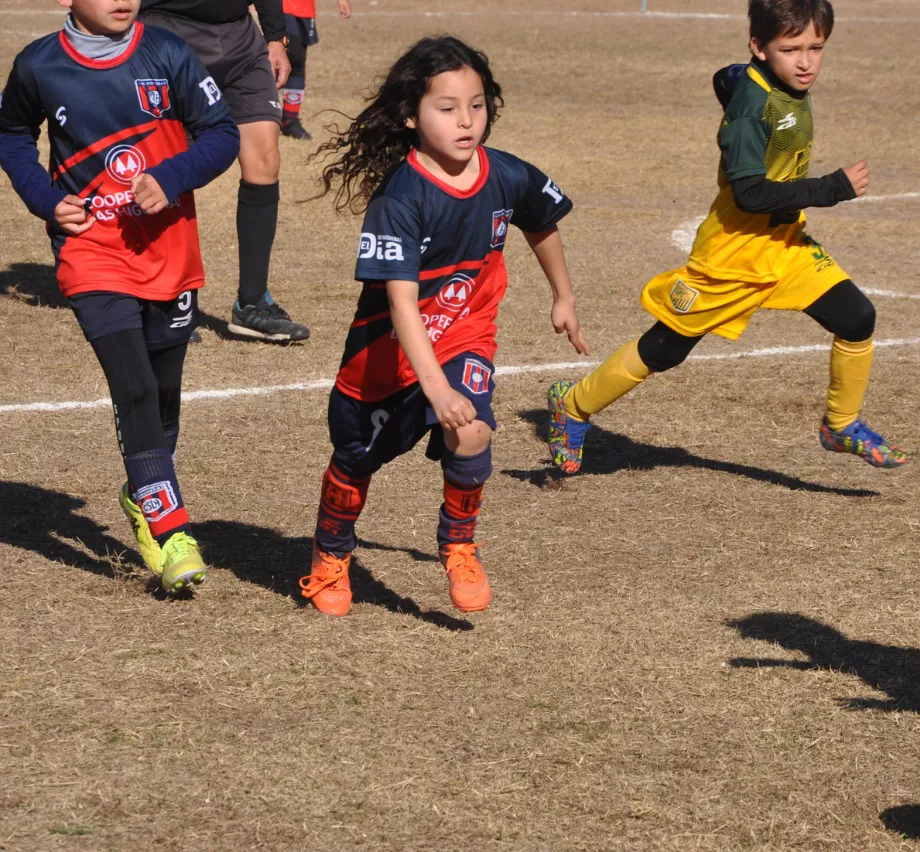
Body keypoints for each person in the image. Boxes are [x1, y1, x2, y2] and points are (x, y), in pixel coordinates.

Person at [545, 0, 905, 475]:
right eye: (791, 49)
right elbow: (751, 193)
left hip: (784, 246)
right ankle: (571, 406)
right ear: (759, 47)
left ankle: (840, 424)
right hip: (733, 253)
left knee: (857, 316)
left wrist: (734, 83)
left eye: (816, 48)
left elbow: (725, 76)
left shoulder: (772, 80)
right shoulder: (754, 107)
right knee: (665, 350)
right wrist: (832, 188)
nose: (805, 62)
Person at [299, 36, 589, 617]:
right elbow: (402, 304)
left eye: (477, 105)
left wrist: (563, 294)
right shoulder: (400, 199)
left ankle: (458, 543)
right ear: (411, 116)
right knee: (354, 460)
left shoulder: (506, 174)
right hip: (386, 356)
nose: (467, 121)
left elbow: (541, 223)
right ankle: (331, 554)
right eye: (447, 108)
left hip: (464, 336)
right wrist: (433, 386)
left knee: (474, 431)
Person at [0, 0, 239, 591]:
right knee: (132, 387)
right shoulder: (39, 66)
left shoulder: (167, 53)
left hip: (169, 251)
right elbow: (10, 135)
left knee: (162, 394)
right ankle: (173, 530)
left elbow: (222, 133)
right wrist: (43, 197)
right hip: (92, 252)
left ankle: (142, 493)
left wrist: (173, 176)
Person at [139, 0, 311, 342]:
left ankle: (252, 303)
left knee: (264, 158)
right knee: (171, 165)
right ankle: (164, 299)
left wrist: (275, 37)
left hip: (240, 39)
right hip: (169, 30)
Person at [280, 0, 352, 141]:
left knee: (298, 60)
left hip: (304, 8)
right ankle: (260, 114)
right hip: (281, 6)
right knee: (289, 53)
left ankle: (290, 119)